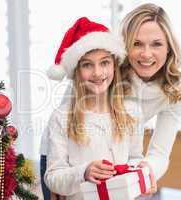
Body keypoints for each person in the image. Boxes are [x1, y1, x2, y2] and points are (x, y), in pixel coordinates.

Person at [43, 17, 148, 200]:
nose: (98, 73)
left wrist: (140, 170)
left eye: (104, 62)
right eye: (87, 65)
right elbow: (53, 177)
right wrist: (83, 172)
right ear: (76, 71)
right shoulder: (62, 117)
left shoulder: (132, 112)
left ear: (114, 65)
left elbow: (135, 157)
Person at [119, 3, 181, 191]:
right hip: (65, 160)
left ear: (168, 48)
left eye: (156, 44)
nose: (146, 54)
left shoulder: (175, 90)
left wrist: (148, 170)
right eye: (137, 43)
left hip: (116, 170)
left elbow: (160, 152)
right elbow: (65, 122)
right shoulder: (104, 70)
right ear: (125, 46)